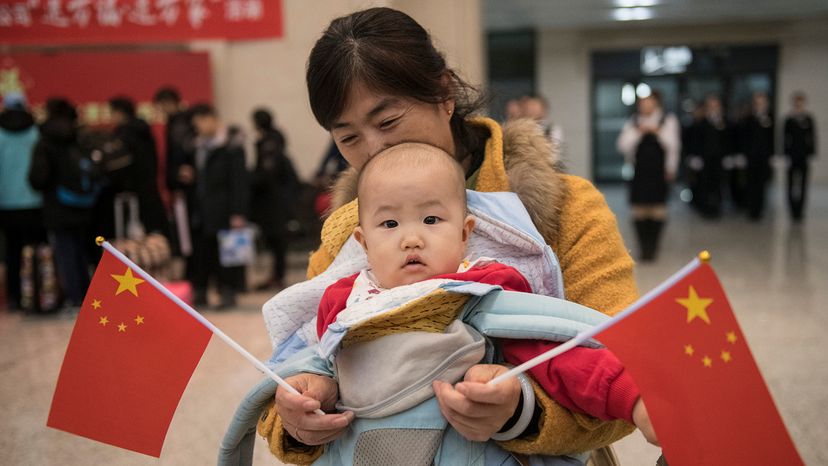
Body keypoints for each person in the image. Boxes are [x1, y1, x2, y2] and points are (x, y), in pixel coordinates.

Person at [257, 7, 647, 465]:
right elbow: (300, 360)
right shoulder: (348, 233)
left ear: (443, 93)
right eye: (348, 137)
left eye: (387, 122)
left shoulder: (564, 208)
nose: (375, 150)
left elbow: (630, 374)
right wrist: (298, 419)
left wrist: (521, 411)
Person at [298, 143, 651, 461]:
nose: (411, 239)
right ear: (363, 242)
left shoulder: (478, 294)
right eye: (389, 223)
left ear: (465, 233)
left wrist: (632, 397)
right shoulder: (344, 301)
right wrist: (311, 389)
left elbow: (561, 354)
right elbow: (316, 359)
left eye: (431, 219)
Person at [28, 98, 95, 309]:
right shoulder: (79, 136)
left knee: (65, 254)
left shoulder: (45, 140)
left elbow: (38, 178)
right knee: (81, 252)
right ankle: (89, 298)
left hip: (57, 206)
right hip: (83, 203)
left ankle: (74, 298)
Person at [187, 103, 250, 309]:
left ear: (212, 119)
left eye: (201, 123)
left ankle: (228, 292)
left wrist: (238, 212)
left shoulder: (231, 147)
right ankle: (201, 292)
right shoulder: (197, 146)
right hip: (202, 209)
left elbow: (239, 182)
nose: (199, 128)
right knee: (203, 253)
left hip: (224, 209)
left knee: (227, 255)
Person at [616, 91, 680, 261]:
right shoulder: (633, 121)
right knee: (639, 210)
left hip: (659, 173)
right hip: (640, 172)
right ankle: (643, 247)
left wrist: (657, 132)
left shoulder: (668, 120)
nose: (645, 107)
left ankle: (653, 246)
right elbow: (622, 146)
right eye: (642, 104)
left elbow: (673, 147)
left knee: (658, 210)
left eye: (649, 103)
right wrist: (639, 132)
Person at [0, 92, 45, 311]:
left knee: (12, 253)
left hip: (6, 204)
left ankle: (15, 298)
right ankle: (40, 295)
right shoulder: (36, 132)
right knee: (38, 251)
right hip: (36, 202)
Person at [104, 96, 168, 236]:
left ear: (120, 113)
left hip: (130, 192)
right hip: (149, 188)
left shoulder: (124, 135)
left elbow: (118, 166)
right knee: (153, 232)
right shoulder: (144, 130)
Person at [250, 108, 298, 289]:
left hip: (274, 202)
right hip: (277, 200)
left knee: (277, 240)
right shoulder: (274, 142)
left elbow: (266, 175)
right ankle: (276, 275)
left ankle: (278, 276)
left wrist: (248, 179)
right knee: (275, 240)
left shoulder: (269, 145)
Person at [687, 94, 734, 218]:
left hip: (719, 160)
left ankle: (717, 208)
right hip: (705, 160)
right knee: (704, 185)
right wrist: (694, 157)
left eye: (716, 105)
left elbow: (730, 140)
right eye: (711, 106)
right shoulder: (701, 122)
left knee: (719, 185)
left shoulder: (725, 123)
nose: (714, 108)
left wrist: (729, 156)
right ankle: (705, 208)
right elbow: (695, 140)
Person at [737, 92, 774, 220]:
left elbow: (772, 138)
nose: (760, 105)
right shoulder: (749, 119)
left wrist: (773, 155)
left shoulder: (770, 118)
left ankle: (760, 209)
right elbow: (743, 138)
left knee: (762, 184)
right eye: (757, 103)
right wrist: (743, 154)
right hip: (751, 157)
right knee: (751, 183)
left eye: (762, 103)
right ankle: (751, 209)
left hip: (764, 157)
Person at [783, 92, 817, 222]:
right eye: (797, 102)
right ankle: (792, 210)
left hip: (804, 157)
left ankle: (800, 210)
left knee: (803, 184)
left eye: (801, 102)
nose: (799, 104)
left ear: (804, 103)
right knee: (791, 184)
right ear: (793, 103)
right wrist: (784, 155)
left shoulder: (808, 119)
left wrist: (812, 153)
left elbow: (812, 137)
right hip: (791, 156)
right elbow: (785, 138)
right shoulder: (789, 119)